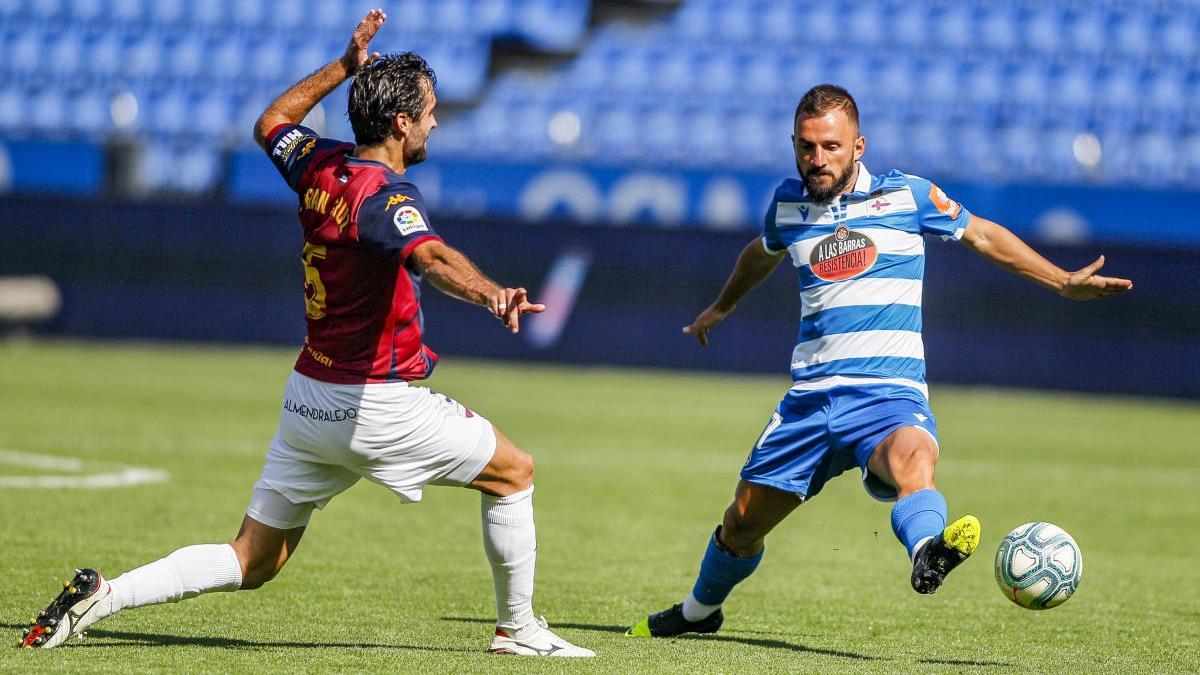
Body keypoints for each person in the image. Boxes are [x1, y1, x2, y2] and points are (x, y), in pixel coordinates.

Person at [19, 10, 593, 658]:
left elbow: (270, 122)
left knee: (251, 558)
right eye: (430, 112)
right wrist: (491, 292)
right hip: (376, 404)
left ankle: (106, 594)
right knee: (514, 471)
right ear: (402, 123)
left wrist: (342, 67)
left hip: (309, 396)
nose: (436, 121)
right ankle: (518, 629)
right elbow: (429, 257)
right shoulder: (385, 198)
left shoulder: (319, 166)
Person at [628, 84, 1132, 638]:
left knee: (914, 460)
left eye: (830, 147)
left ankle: (926, 552)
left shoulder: (908, 196)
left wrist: (1061, 281)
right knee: (742, 523)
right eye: (805, 147)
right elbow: (760, 252)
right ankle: (700, 613)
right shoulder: (788, 205)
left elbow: (982, 234)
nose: (816, 160)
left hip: (888, 392)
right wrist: (721, 307)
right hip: (810, 401)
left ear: (859, 146)